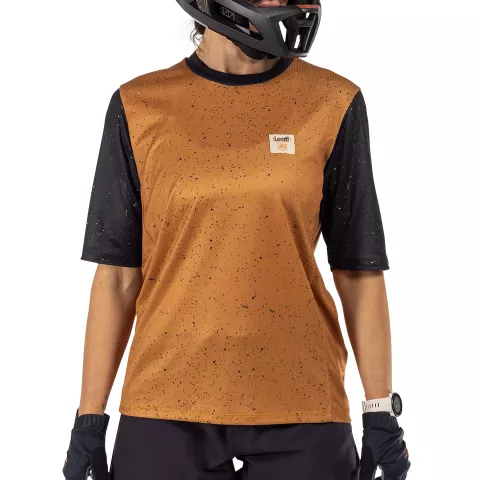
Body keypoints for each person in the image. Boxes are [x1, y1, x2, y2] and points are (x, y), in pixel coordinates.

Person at [62, 1, 411, 479]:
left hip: (303, 400)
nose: (281, 6)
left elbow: (358, 268)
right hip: (165, 401)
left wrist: (380, 409)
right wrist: (89, 417)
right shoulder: (139, 105)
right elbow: (119, 276)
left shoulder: (333, 101)